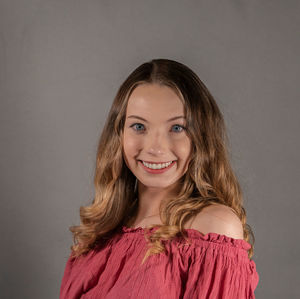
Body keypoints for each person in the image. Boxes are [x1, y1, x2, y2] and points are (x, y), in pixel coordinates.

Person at [59, 58, 259, 298]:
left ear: (202, 138)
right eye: (139, 127)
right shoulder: (101, 231)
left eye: (177, 128)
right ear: (119, 134)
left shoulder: (214, 228)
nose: (155, 148)